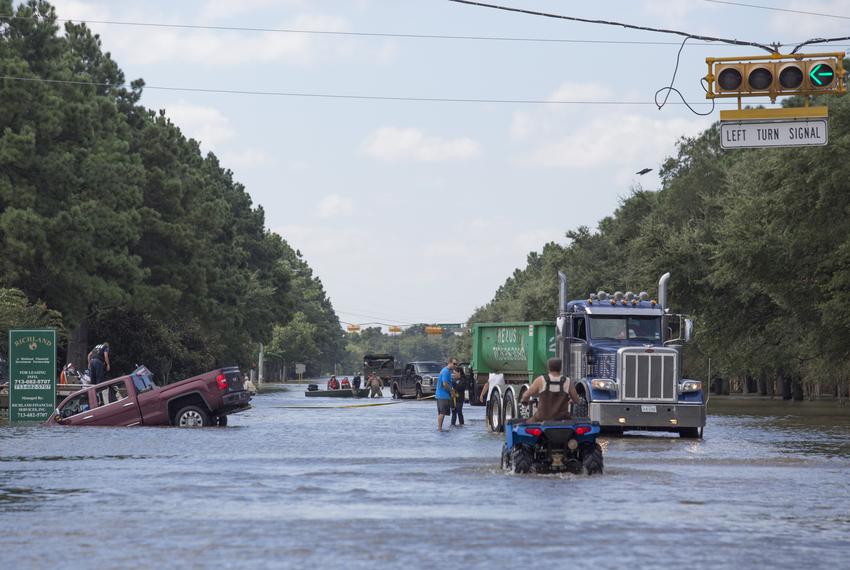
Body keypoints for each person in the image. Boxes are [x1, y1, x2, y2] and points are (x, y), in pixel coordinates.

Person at [520, 357, 580, 422]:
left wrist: (525, 402)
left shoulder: (540, 380)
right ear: (560, 368)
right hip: (562, 418)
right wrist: (572, 401)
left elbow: (526, 395)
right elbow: (577, 400)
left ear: (548, 368)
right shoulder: (568, 381)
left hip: (541, 418)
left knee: (527, 424)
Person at [436, 357, 458, 431]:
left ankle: (440, 428)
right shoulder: (445, 371)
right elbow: (445, 384)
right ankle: (439, 429)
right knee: (442, 413)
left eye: (456, 364)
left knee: (442, 413)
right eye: (454, 364)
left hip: (442, 395)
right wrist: (451, 391)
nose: (455, 365)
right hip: (443, 395)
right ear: (449, 363)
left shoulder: (447, 371)